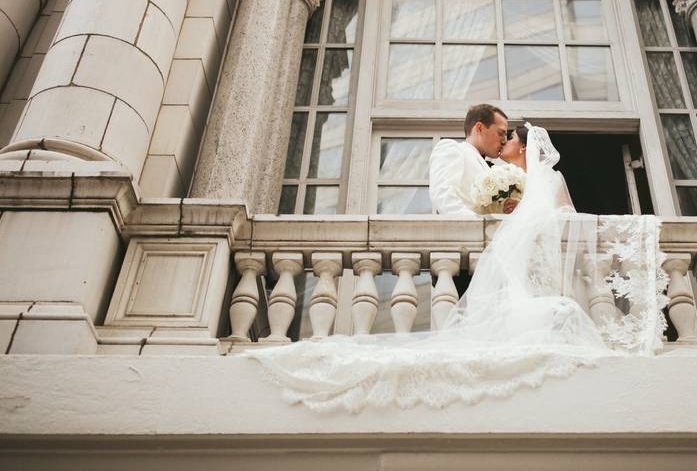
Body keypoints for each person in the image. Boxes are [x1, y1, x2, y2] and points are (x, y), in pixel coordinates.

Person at [249, 124, 666, 414]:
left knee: (550, 316)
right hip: (511, 264)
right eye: (500, 136)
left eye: (509, 139)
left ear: (524, 146)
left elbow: (567, 221)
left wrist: (524, 214)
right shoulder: (500, 176)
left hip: (541, 264)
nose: (502, 144)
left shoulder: (548, 180)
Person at [429, 103, 517, 215]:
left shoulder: (489, 168)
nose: (504, 141)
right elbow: (443, 194)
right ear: (479, 128)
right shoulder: (452, 148)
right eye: (500, 133)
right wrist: (479, 225)